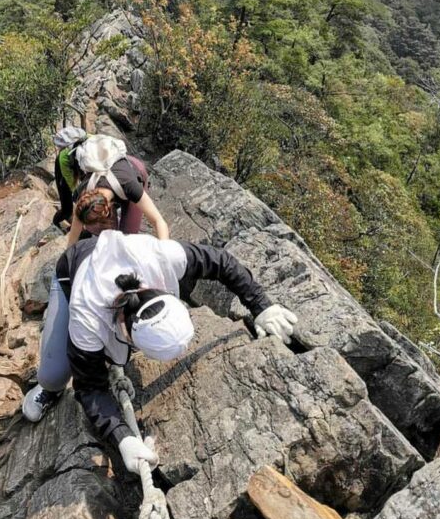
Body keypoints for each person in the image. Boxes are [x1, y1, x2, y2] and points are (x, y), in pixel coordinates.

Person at [22, 230, 298, 474]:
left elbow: (221, 262)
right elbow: (89, 387)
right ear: (127, 333)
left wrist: (261, 306)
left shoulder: (163, 257)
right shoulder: (87, 316)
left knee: (99, 354)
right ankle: (49, 389)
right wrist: (122, 438)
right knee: (53, 374)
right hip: (72, 274)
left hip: (118, 264)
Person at [52, 126, 88, 226]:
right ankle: (56, 224)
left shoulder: (92, 141)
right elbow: (72, 185)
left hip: (83, 164)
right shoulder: (63, 158)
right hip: (67, 167)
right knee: (67, 208)